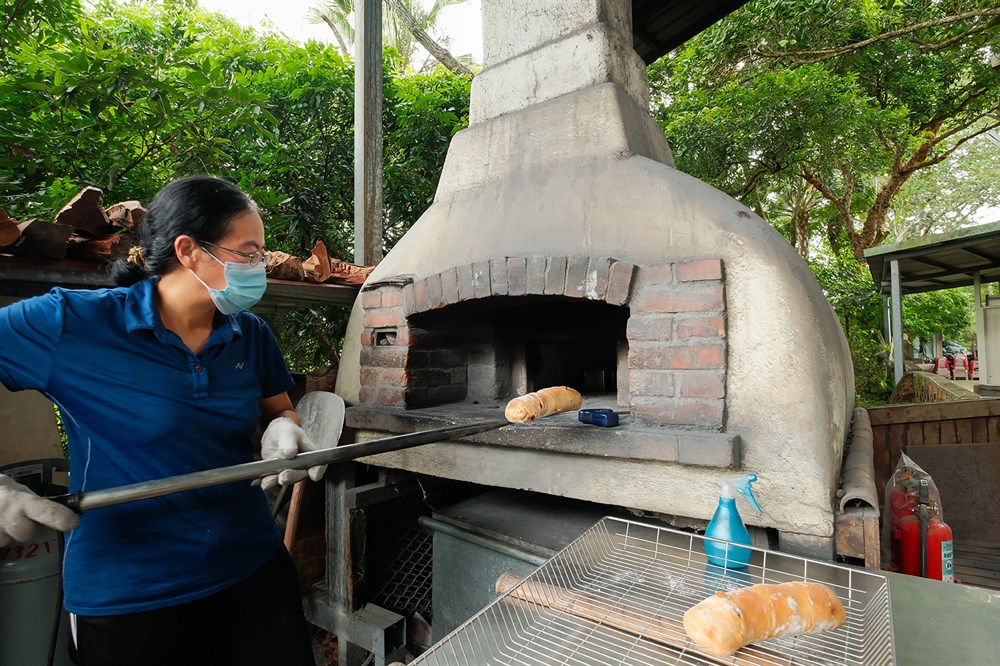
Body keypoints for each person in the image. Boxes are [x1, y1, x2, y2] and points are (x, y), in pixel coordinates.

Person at [0, 175, 329, 665]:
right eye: (248, 253)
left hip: (252, 570)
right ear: (188, 250)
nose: (259, 267)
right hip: (133, 593)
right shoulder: (71, 323)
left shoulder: (250, 333)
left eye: (261, 254)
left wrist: (284, 426)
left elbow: (279, 408)